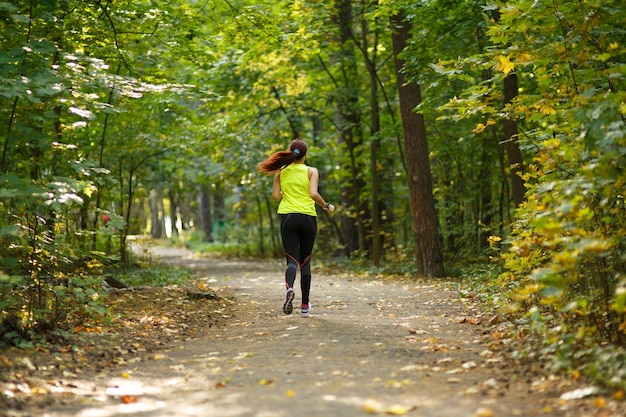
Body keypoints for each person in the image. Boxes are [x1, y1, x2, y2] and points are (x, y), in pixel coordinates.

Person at [258, 139, 335, 317]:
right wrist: (327, 206)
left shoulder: (281, 172)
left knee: (292, 261)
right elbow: (313, 194)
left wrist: (287, 190)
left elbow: (276, 196)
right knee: (305, 262)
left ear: (291, 153)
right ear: (305, 154)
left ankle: (289, 288)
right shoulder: (311, 171)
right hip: (308, 218)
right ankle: (305, 306)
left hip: (288, 218)